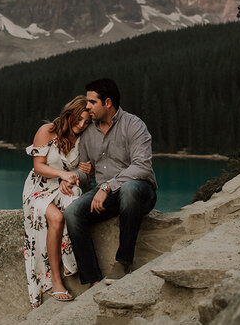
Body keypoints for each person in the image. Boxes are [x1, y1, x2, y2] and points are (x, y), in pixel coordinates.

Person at [63, 78, 157, 285]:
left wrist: (107, 186)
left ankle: (123, 262)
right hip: (108, 197)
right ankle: (92, 278)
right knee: (72, 212)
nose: (87, 107)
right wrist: (73, 177)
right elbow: (86, 170)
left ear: (107, 103)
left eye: (91, 102)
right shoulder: (88, 132)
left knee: (129, 189)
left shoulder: (134, 125)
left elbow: (142, 167)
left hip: (140, 192)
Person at [22, 95, 93, 307]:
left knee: (76, 208)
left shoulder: (85, 138)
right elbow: (39, 166)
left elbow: (85, 171)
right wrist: (63, 174)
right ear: (69, 114)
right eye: (78, 120)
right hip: (39, 188)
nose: (81, 125)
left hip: (64, 186)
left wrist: (82, 173)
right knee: (56, 218)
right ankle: (56, 280)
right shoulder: (48, 131)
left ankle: (76, 266)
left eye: (87, 122)